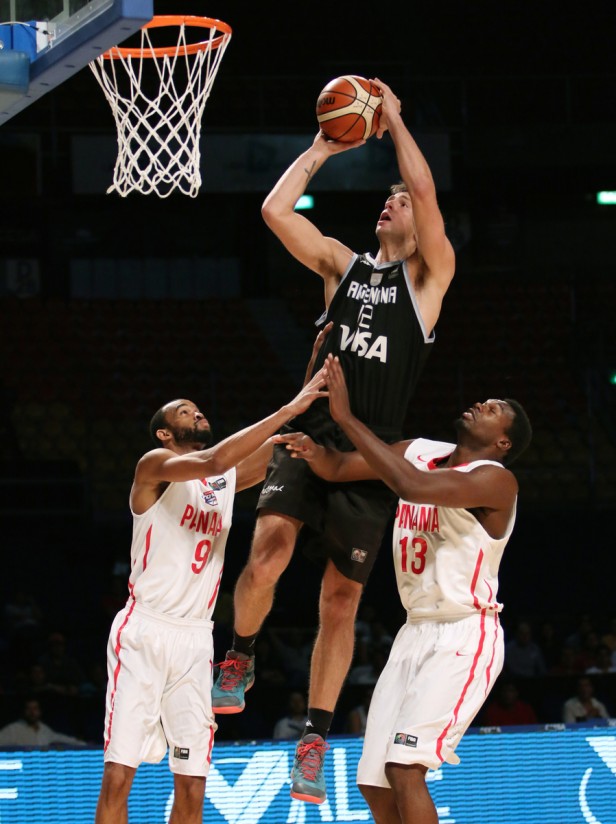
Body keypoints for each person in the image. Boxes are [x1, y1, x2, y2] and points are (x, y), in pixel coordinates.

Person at [212, 77, 456, 804]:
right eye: (386, 196)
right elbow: (273, 210)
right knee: (265, 558)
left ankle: (314, 734)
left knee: (339, 604)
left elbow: (425, 186)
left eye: (401, 200)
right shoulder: (343, 268)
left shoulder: (429, 279)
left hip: (370, 458)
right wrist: (325, 144)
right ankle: (241, 655)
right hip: (313, 433)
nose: (393, 199)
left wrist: (398, 122)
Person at [276, 354, 532, 823]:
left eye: (493, 408)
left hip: (464, 633)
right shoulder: (417, 450)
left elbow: (411, 487)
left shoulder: (496, 480)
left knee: (405, 768)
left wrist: (347, 417)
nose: (480, 403)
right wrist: (312, 451)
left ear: (502, 442)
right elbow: (338, 469)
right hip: (414, 633)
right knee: (373, 784)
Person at [94, 371, 327, 824]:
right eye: (184, 410)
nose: (196, 411)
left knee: (193, 781)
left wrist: (312, 388)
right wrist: (288, 408)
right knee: (119, 776)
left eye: (197, 408)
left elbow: (282, 445)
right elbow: (218, 459)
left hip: (196, 641)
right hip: (144, 632)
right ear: (165, 432)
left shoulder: (221, 481)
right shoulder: (154, 465)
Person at [0, 697, 86, 748]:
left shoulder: (44, 729)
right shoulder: (13, 729)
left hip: (41, 772)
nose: (32, 712)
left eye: (35, 709)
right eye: (29, 709)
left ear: (40, 711)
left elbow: (62, 738)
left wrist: (85, 744)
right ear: (24, 711)